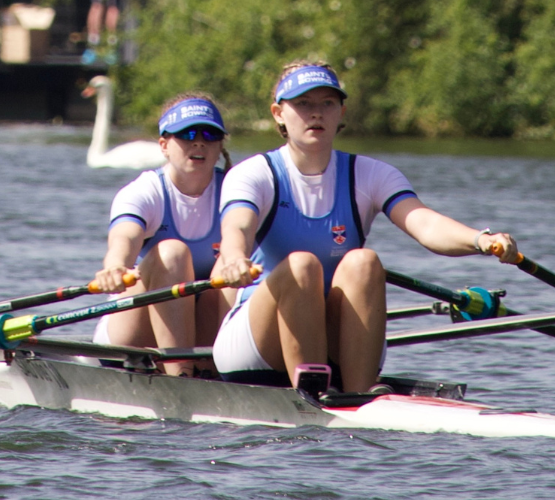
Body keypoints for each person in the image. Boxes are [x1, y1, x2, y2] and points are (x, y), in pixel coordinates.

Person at [209, 62, 519, 394]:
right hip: (254, 348)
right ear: (278, 114)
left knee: (365, 262)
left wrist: (480, 239)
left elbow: (424, 223)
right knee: (302, 265)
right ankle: (316, 393)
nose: (316, 114)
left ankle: (359, 396)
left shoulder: (369, 175)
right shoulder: (253, 174)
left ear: (341, 111)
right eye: (303, 104)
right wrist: (235, 258)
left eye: (327, 103)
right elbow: (237, 227)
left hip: (332, 336)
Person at [89, 94, 233, 377]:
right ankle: (182, 376)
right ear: (164, 146)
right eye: (187, 133)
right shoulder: (144, 192)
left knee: (232, 258)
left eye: (210, 134)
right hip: (133, 337)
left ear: (220, 146)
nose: (199, 142)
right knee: (172, 253)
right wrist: (114, 266)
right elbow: (124, 239)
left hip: (203, 327)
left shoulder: (238, 192)